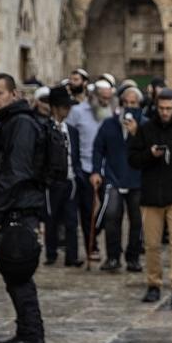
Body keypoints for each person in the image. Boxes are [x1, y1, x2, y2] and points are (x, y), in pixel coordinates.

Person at [0, 73, 47, 343]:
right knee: (14, 275)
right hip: (15, 208)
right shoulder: (9, 123)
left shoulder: (20, 124)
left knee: (19, 273)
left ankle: (32, 337)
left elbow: (16, 172)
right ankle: (25, 332)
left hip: (19, 209)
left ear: (13, 94)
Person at [128, 88, 172, 307]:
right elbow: (133, 159)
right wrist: (150, 154)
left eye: (169, 108)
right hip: (151, 196)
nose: (165, 112)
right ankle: (153, 284)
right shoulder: (146, 129)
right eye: (161, 108)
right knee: (152, 245)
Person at [92, 86, 146, 273]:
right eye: (126, 103)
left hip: (137, 179)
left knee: (137, 220)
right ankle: (113, 256)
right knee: (112, 215)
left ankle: (133, 257)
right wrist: (96, 171)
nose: (129, 106)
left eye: (133, 103)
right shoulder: (109, 123)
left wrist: (136, 133)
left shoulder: (145, 125)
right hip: (113, 176)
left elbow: (149, 150)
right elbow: (98, 148)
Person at [67, 79, 114, 260]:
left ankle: (97, 232)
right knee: (87, 210)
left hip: (108, 167)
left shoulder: (112, 112)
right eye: (102, 98)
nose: (105, 101)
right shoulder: (77, 112)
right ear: (93, 95)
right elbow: (72, 140)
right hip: (85, 167)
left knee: (110, 208)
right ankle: (91, 245)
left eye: (108, 98)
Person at [40, 86, 84, 268]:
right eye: (64, 107)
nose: (67, 110)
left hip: (70, 180)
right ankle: (51, 253)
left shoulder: (72, 131)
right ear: (55, 108)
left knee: (72, 221)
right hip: (53, 182)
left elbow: (75, 154)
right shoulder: (44, 129)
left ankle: (72, 256)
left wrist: (78, 174)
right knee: (51, 218)